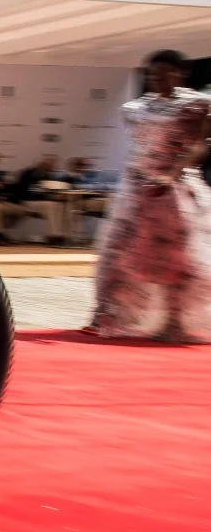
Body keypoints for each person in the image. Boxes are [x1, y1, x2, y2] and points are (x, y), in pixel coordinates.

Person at [88, 50, 211, 343]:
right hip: (136, 187)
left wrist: (172, 172)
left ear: (180, 74)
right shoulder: (134, 108)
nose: (159, 79)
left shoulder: (195, 104)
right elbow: (138, 147)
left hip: (175, 187)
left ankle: (173, 322)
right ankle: (107, 316)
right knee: (119, 252)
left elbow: (199, 145)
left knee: (177, 257)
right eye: (153, 74)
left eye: (166, 73)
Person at [10, 153, 71, 243]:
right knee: (51, 205)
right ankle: (54, 235)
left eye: (53, 163)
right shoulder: (28, 173)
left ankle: (63, 235)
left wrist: (56, 196)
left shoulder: (52, 175)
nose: (52, 166)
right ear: (41, 162)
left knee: (61, 205)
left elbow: (53, 190)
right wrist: (48, 196)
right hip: (28, 201)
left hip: (44, 201)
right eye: (49, 163)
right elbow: (25, 192)